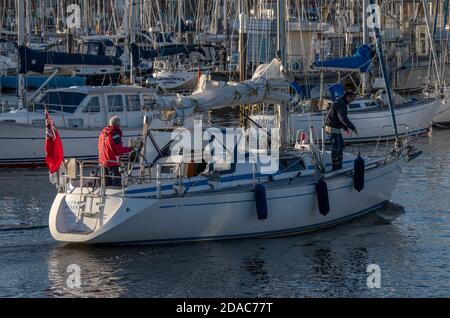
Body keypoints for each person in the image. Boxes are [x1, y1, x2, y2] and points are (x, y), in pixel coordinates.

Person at [325, 91, 358, 171]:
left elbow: (338, 117)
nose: (352, 101)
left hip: (335, 128)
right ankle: (335, 167)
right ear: (347, 97)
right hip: (332, 128)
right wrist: (352, 128)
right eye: (352, 99)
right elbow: (342, 118)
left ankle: (339, 166)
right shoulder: (341, 104)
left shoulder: (340, 102)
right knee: (337, 147)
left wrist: (345, 128)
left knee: (342, 146)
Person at [98, 116, 134, 187]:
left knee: (106, 184)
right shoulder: (115, 135)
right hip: (112, 163)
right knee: (116, 182)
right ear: (117, 124)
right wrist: (131, 149)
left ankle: (106, 195)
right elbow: (119, 150)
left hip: (102, 162)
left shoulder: (103, 133)